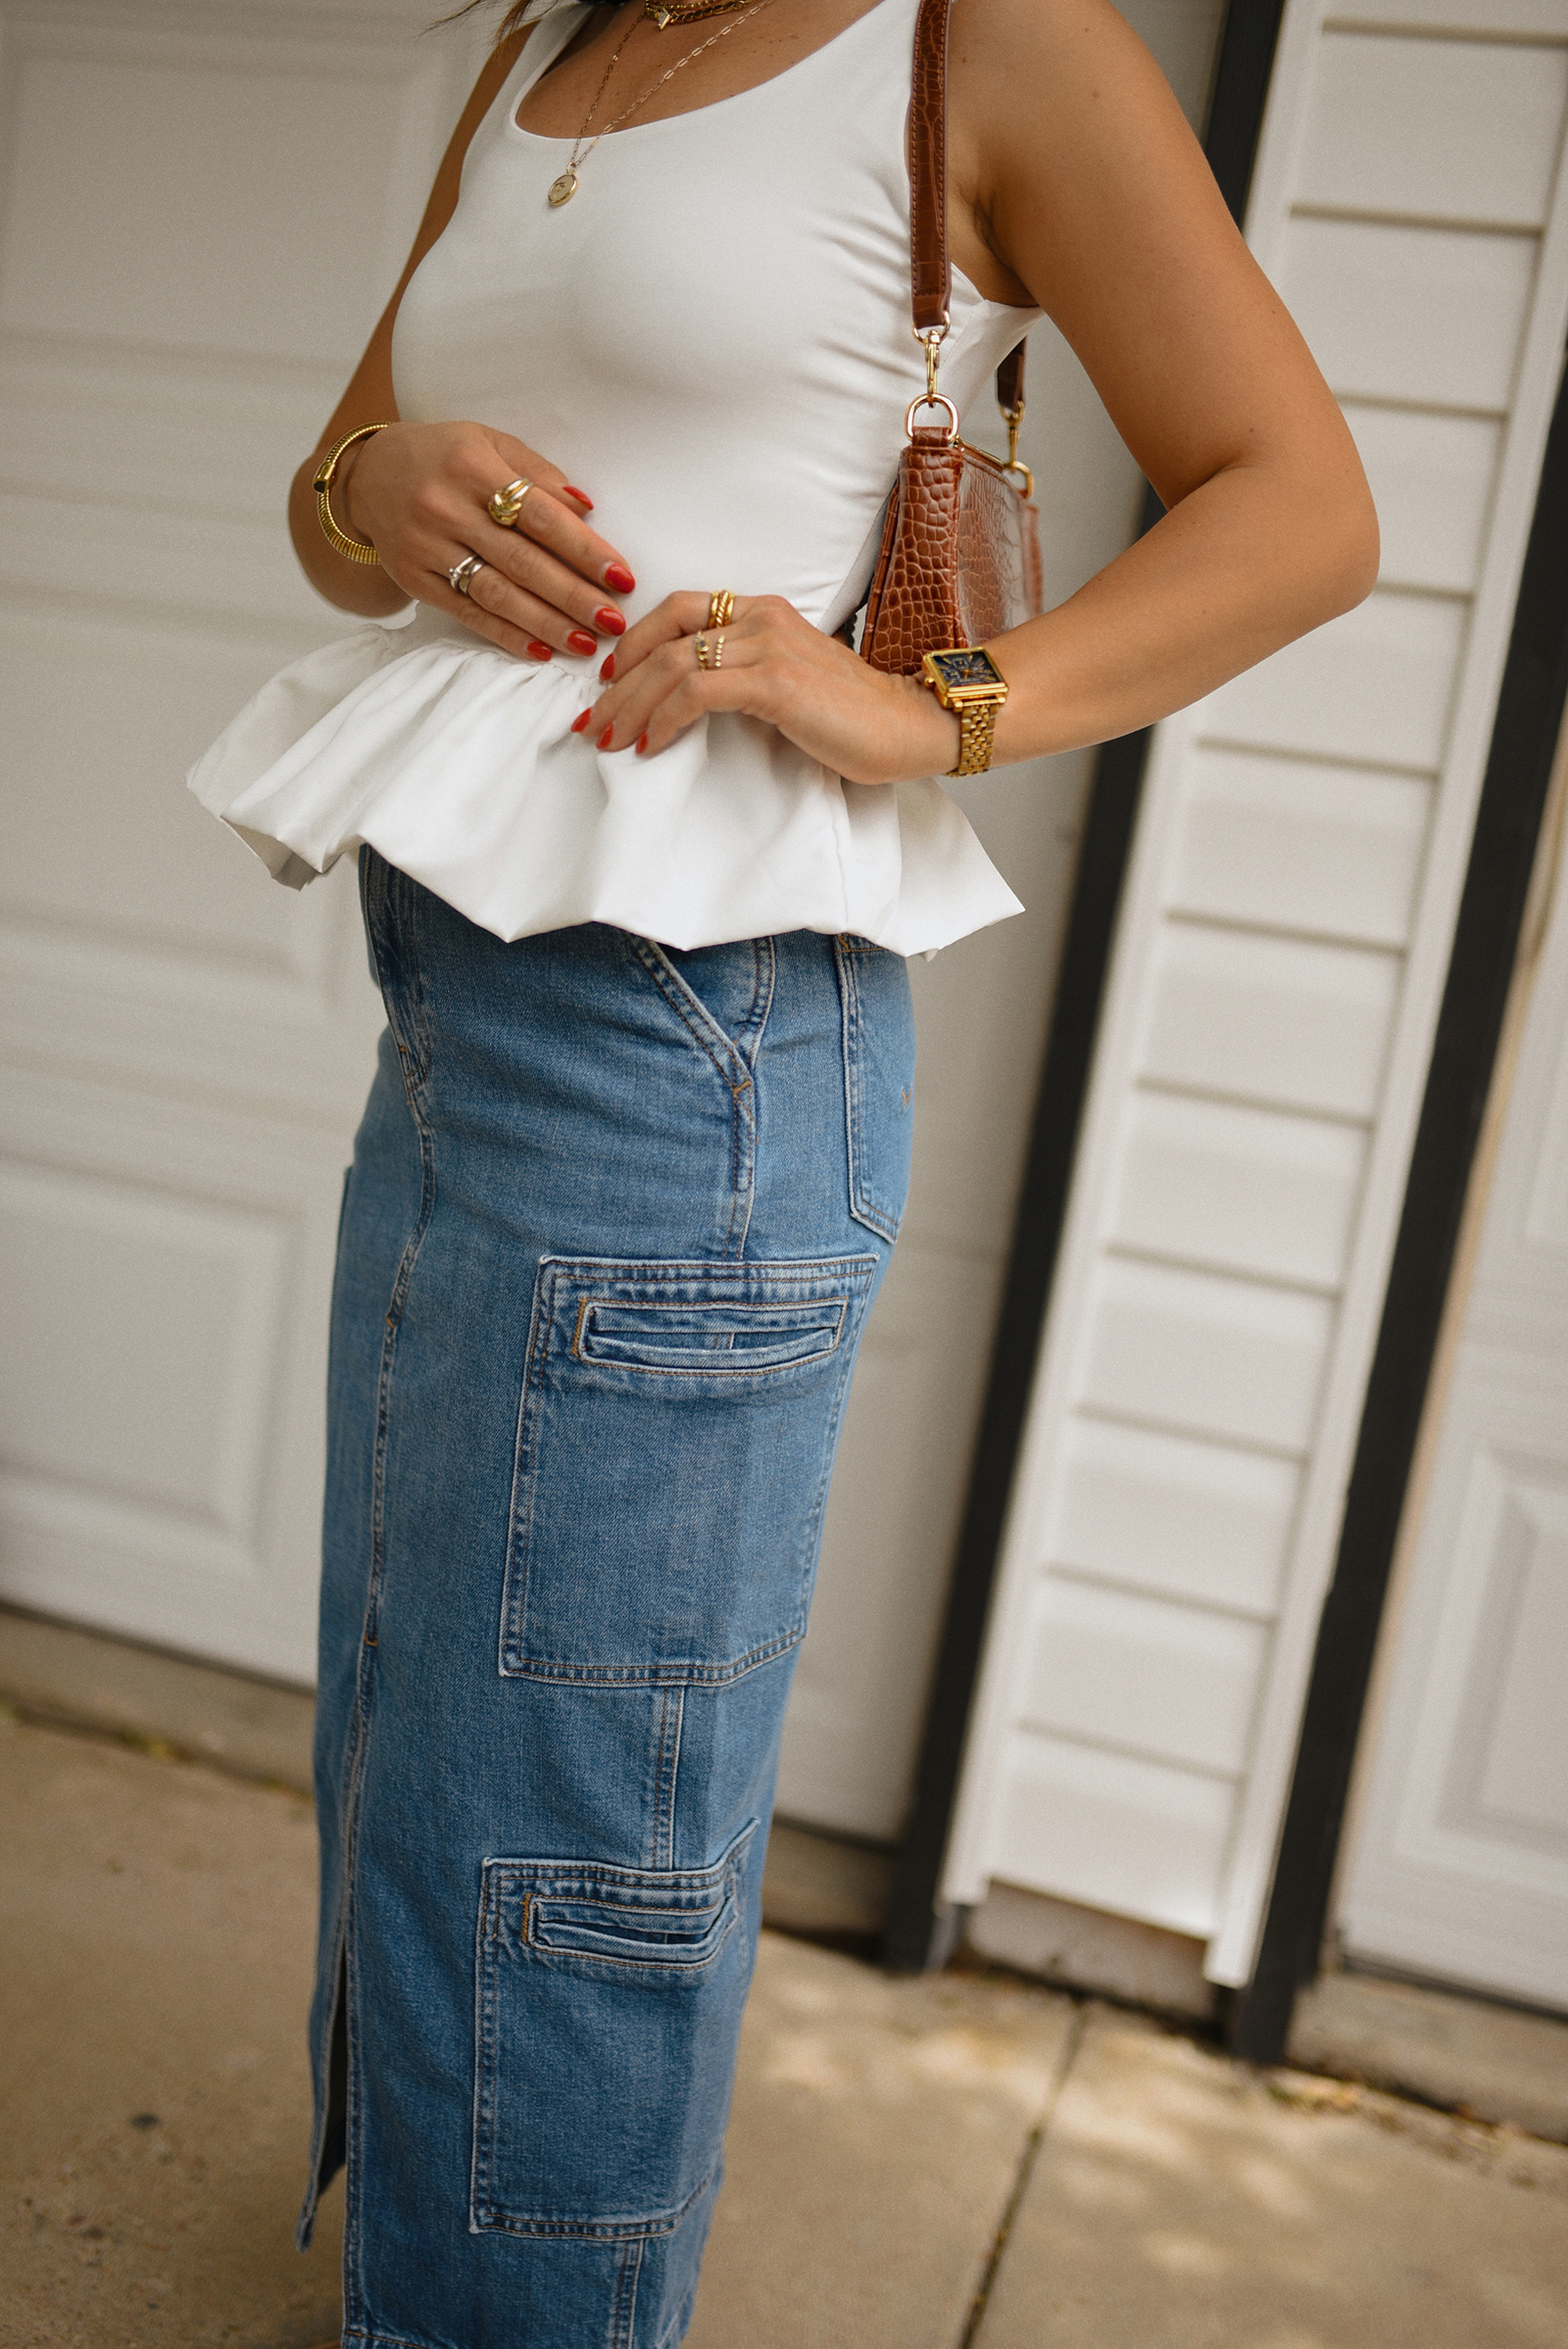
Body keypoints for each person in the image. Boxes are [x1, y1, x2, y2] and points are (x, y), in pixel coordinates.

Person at [188, 0, 1377, 2341]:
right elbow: (335, 507)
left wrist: (920, 705)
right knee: (417, 1747)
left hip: (693, 1048)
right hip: (456, 1008)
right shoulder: (542, 43)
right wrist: (374, 492)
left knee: (571, 1843)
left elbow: (1300, 503)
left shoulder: (987, 40)